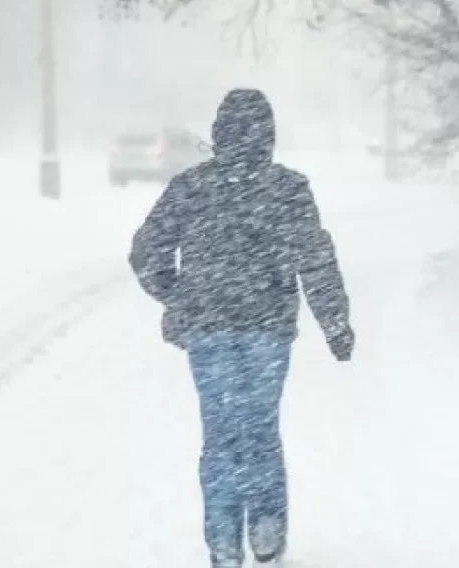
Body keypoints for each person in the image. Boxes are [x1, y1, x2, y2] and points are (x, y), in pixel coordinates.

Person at [128, 87, 355, 568]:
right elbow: (315, 259)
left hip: (209, 329)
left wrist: (179, 296)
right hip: (267, 328)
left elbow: (147, 251)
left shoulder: (192, 186)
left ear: (217, 134)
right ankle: (267, 530)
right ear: (269, 135)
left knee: (221, 432)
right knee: (260, 428)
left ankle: (224, 541)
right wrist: (334, 322)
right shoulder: (288, 188)